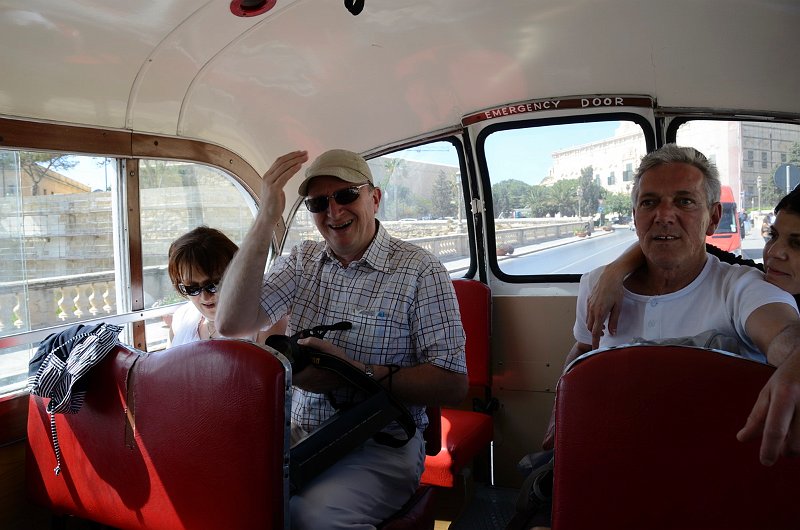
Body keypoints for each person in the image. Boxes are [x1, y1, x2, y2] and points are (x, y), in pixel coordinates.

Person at [215, 149, 468, 529]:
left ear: (374, 198)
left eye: (346, 195)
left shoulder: (420, 269)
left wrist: (350, 371)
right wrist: (266, 216)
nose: (333, 212)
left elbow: (453, 384)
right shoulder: (302, 260)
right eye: (318, 203)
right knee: (227, 498)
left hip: (382, 442)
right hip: (300, 433)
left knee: (310, 518)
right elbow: (230, 322)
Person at [545, 144, 800, 469]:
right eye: (649, 202)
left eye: (684, 201)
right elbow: (584, 348)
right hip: (610, 461)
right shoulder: (597, 285)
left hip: (710, 468)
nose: (664, 216)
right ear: (635, 215)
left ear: (713, 218)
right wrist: (560, 408)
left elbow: (783, 332)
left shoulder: (742, 287)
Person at [167, 226, 285, 347]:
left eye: (214, 285)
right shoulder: (181, 320)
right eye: (192, 288)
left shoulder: (266, 321)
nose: (205, 297)